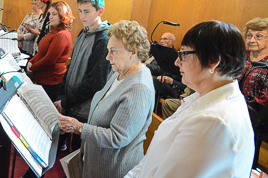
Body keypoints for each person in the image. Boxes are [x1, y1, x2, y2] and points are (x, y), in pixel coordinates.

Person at [125, 20, 254, 178]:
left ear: (212, 61)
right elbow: (151, 161)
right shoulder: (203, 96)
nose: (177, 62)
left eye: (183, 54)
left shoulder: (213, 121)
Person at [59, 20, 155, 178]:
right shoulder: (120, 71)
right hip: (96, 159)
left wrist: (79, 128)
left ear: (133, 52)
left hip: (112, 168)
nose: (107, 56)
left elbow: (118, 137)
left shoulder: (139, 87)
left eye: (114, 51)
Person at [54, 0, 111, 151]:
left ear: (100, 11)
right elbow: (71, 67)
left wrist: (66, 101)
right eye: (80, 11)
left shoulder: (104, 39)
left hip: (85, 110)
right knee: (56, 148)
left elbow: (95, 82)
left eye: (86, 11)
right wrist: (61, 97)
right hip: (70, 103)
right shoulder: (83, 32)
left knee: (77, 155)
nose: (82, 16)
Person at [27, 1, 74, 102]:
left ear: (63, 16)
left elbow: (49, 60)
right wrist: (31, 61)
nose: (50, 17)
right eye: (50, 14)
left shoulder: (62, 35)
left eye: (54, 14)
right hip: (43, 78)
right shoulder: (54, 31)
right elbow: (41, 53)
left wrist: (32, 68)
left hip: (51, 82)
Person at [239, 17, 268, 107]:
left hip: (256, 114)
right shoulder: (239, 56)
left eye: (258, 36)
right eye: (249, 35)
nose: (251, 40)